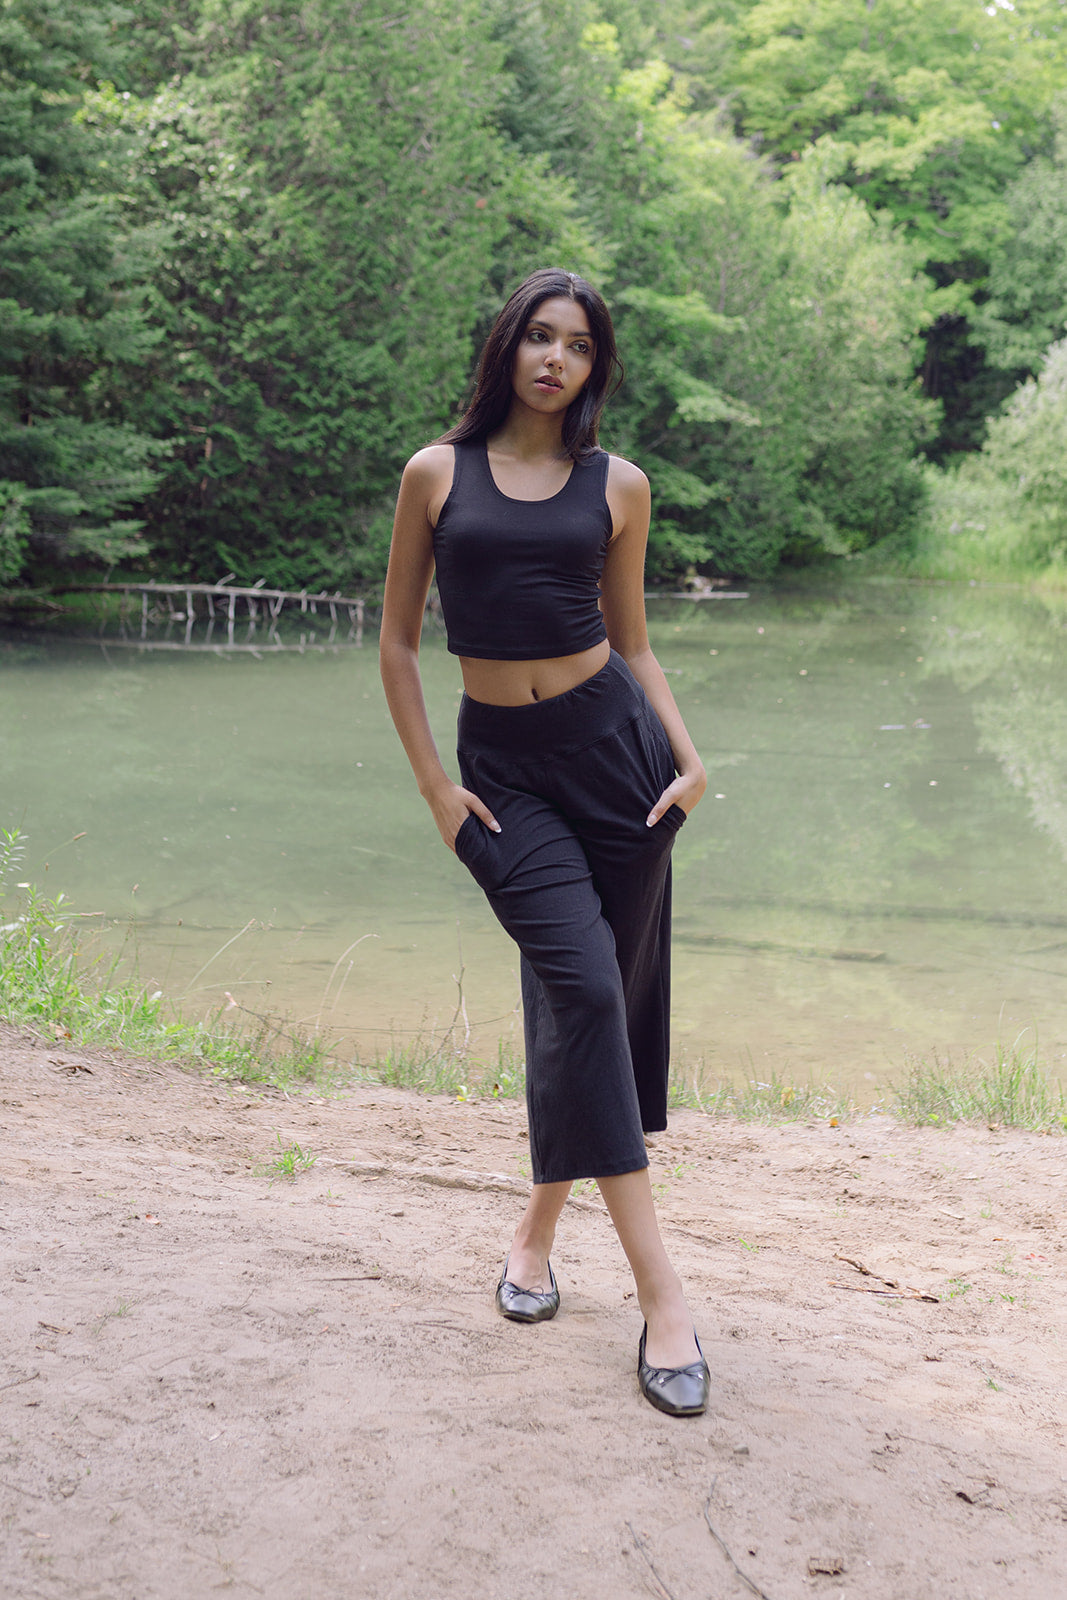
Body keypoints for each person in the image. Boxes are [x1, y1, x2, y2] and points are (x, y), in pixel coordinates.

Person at [379, 267, 709, 1417]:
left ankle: (533, 1233)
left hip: (618, 763)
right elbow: (394, 646)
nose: (554, 357)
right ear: (506, 347)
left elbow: (635, 642)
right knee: (586, 986)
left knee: (593, 999)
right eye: (537, 335)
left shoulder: (617, 485)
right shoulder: (436, 473)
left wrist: (689, 758)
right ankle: (664, 1297)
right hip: (503, 775)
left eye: (575, 343)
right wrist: (435, 787)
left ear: (592, 366)